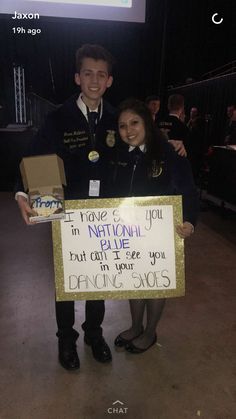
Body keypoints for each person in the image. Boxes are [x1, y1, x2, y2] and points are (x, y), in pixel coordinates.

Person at [15, 44, 117, 370]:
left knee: (99, 276)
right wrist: (21, 193)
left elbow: (142, 150)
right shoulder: (58, 118)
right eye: (88, 73)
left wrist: (170, 145)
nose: (94, 80)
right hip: (68, 212)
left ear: (109, 80)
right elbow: (33, 156)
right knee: (67, 280)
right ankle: (66, 340)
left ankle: (93, 333)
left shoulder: (118, 118)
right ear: (77, 77)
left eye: (101, 74)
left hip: (106, 212)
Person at [112, 98, 198, 353]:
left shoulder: (169, 153)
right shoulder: (118, 155)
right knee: (134, 280)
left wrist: (190, 221)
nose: (129, 131)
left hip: (161, 234)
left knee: (156, 282)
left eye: (135, 123)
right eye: (123, 126)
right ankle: (136, 326)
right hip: (128, 232)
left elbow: (189, 191)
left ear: (147, 122)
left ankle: (150, 332)